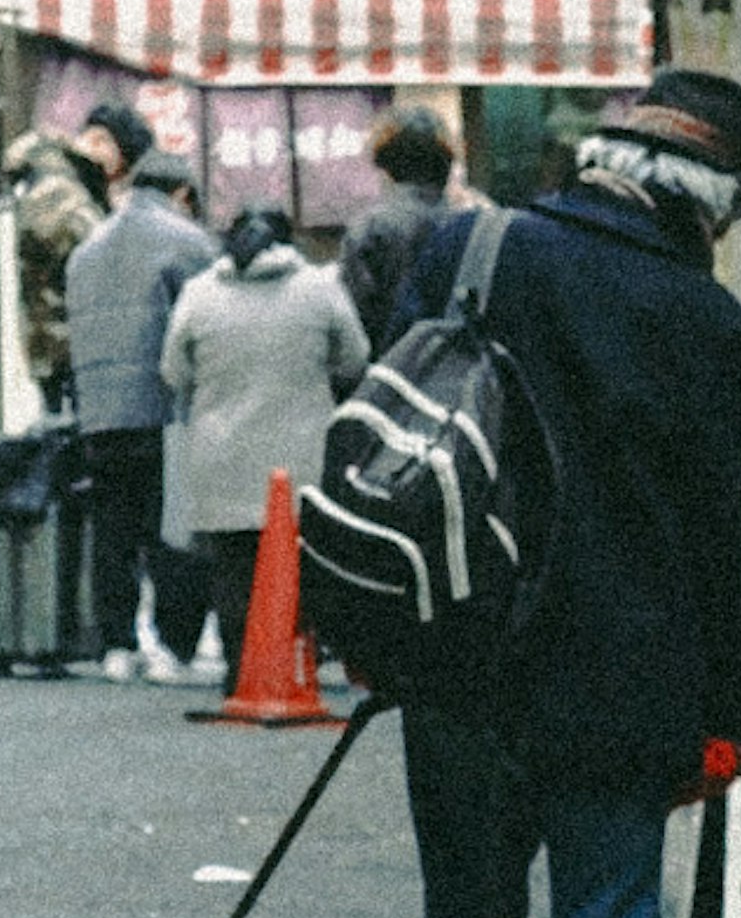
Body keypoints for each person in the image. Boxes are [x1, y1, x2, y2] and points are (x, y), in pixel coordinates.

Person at [399, 69, 741, 918]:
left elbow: (403, 432)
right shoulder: (700, 321)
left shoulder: (473, 250)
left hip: (458, 672)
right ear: (709, 206)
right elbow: (729, 540)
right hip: (625, 691)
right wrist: (736, 714)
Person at [160, 206, 370, 658]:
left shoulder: (198, 294)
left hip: (220, 454)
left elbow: (173, 371)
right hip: (303, 453)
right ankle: (296, 663)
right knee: (299, 560)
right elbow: (355, 358)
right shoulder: (320, 288)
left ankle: (242, 668)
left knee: (233, 566)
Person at [62, 140, 208, 680]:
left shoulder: (88, 248)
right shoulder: (189, 243)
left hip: (99, 412)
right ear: (182, 192)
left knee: (114, 530)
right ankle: (175, 646)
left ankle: (116, 645)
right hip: (160, 406)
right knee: (169, 530)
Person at [338, 105, 469, 356]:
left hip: (391, 371)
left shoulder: (369, 229)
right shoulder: (470, 223)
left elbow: (354, 317)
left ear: (386, 164)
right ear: (446, 163)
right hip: (461, 372)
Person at [2, 126, 113, 409]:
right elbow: (102, 253)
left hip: (45, 339)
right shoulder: (61, 194)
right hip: (74, 340)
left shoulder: (34, 192)